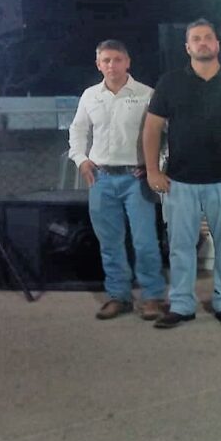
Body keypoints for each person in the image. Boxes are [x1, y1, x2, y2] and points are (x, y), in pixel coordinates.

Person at [143, 19, 221, 329]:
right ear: (187, 47)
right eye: (196, 38)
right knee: (180, 247)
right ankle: (181, 304)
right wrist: (153, 170)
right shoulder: (169, 83)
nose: (203, 42)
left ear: (217, 44)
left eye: (208, 37)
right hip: (180, 181)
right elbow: (152, 128)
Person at [68, 40, 166, 320]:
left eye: (117, 59)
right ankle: (118, 296)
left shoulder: (147, 94)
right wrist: (80, 159)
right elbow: (78, 130)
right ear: (98, 64)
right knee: (109, 242)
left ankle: (152, 297)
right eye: (106, 60)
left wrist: (155, 165)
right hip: (101, 179)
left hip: (136, 179)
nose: (112, 65)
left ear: (128, 62)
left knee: (145, 241)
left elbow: (163, 134)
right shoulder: (90, 96)